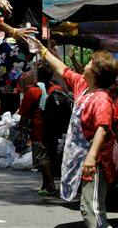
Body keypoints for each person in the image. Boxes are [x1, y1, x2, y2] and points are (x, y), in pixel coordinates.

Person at [32, 38, 118, 227]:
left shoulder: (102, 99)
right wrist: (43, 51)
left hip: (96, 163)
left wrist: (91, 157)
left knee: (91, 210)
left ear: (95, 72)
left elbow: (102, 128)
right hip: (83, 159)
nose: (84, 65)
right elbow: (63, 69)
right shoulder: (84, 87)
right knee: (91, 208)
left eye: (89, 63)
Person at [17, 61, 61, 196]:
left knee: (42, 158)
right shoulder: (57, 90)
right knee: (50, 156)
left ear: (38, 75)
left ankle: (51, 185)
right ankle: (45, 184)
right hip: (55, 130)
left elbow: (24, 115)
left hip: (39, 130)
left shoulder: (32, 91)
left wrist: (21, 130)